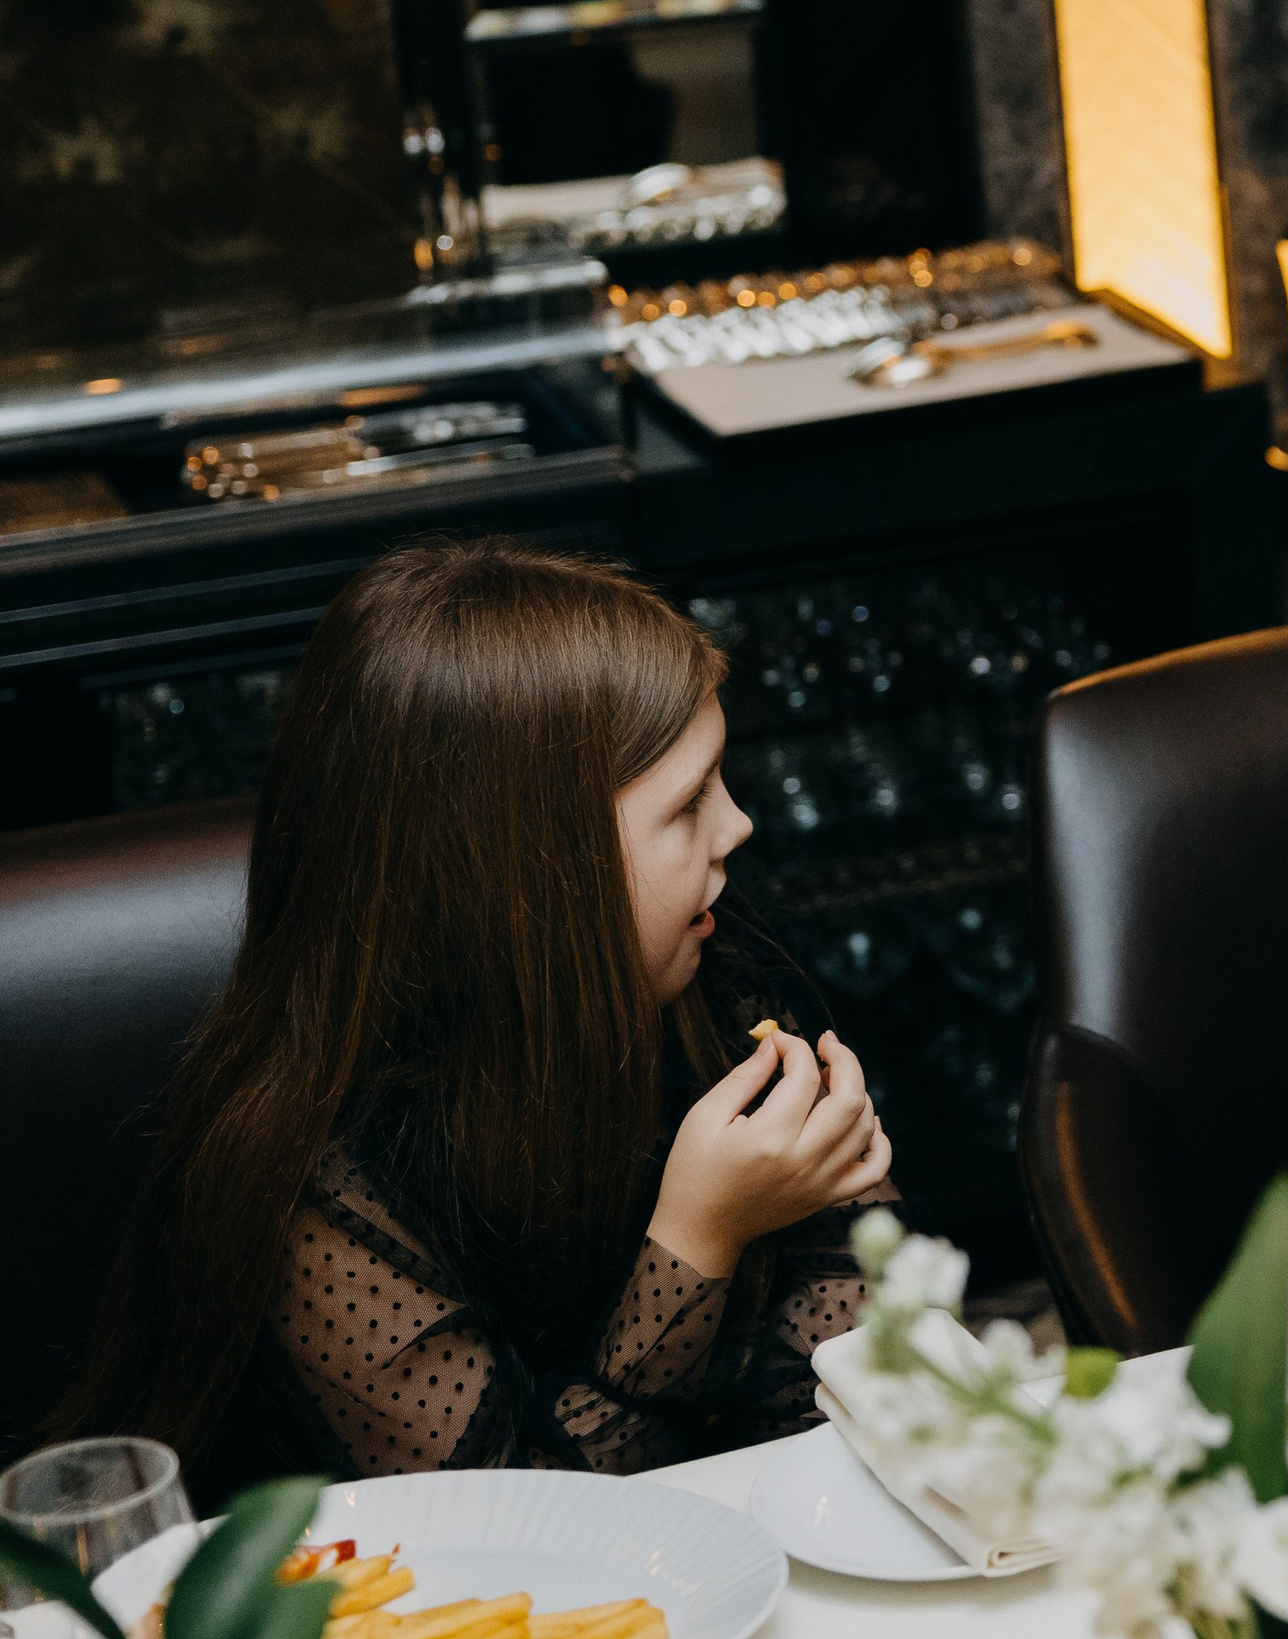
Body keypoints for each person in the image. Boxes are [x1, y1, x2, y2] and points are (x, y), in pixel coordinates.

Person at [53, 541, 894, 1492]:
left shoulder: (713, 959)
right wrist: (698, 1239)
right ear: (531, 868)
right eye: (689, 800)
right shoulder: (314, 1184)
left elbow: (860, 1340)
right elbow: (514, 1528)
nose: (737, 823)